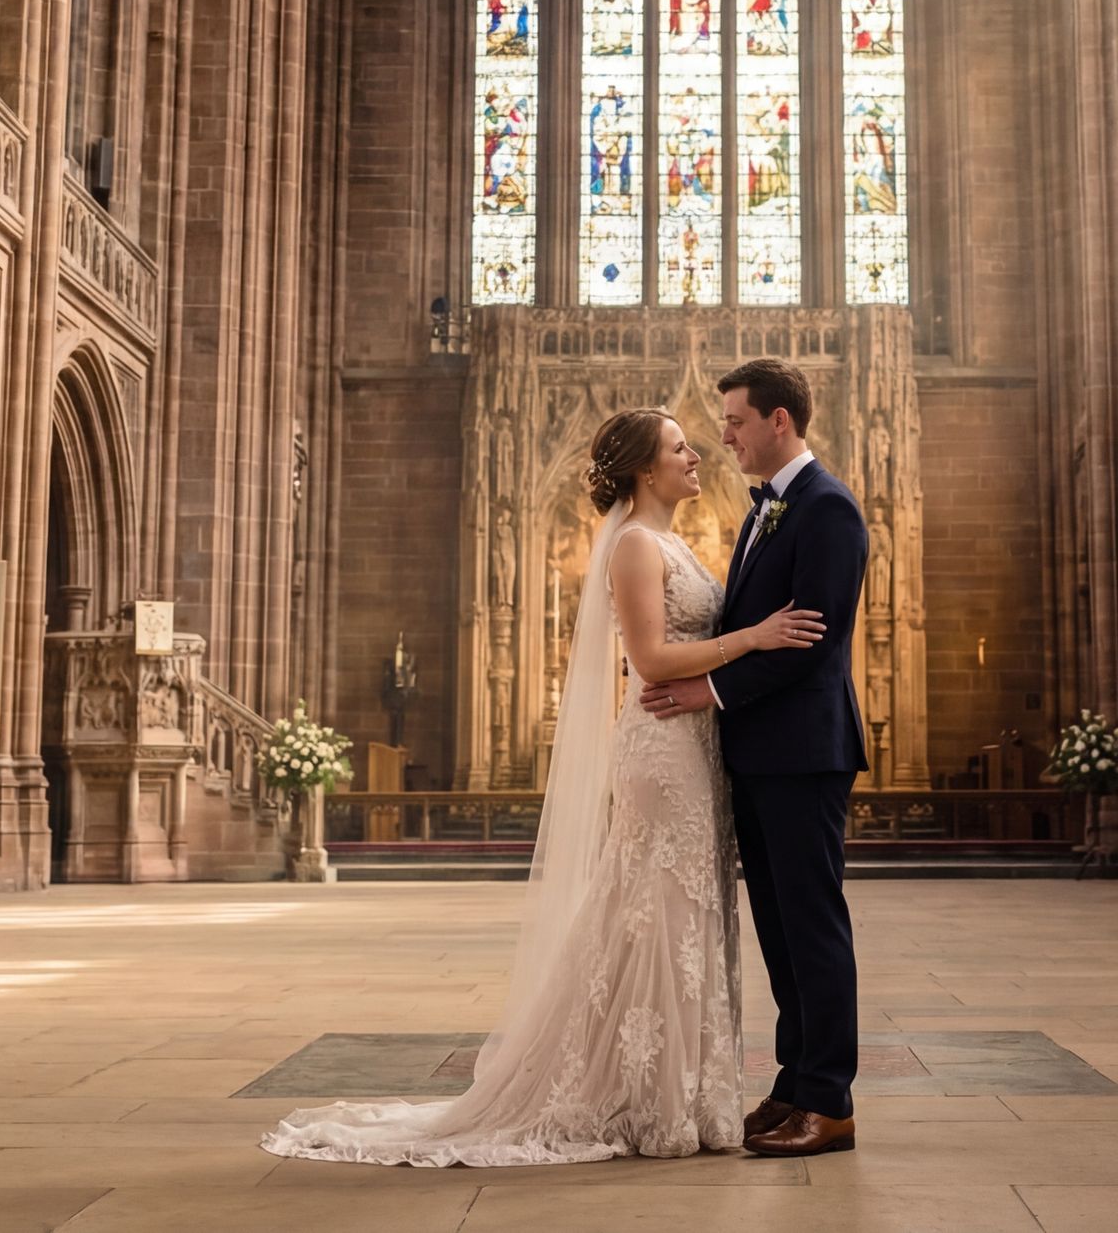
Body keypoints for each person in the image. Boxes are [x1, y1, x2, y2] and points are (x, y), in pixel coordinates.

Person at [259, 407, 825, 1165]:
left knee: (683, 912)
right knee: (657, 910)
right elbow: (653, 659)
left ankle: (682, 1091)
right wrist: (753, 638)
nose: (697, 453)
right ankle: (642, 1096)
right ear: (643, 469)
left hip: (693, 745)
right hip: (662, 746)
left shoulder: (669, 540)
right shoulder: (630, 543)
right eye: (679, 446)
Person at [640, 357, 871, 1158]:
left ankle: (830, 1101)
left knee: (812, 923)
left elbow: (812, 641)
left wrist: (712, 694)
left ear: (780, 420)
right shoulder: (767, 510)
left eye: (736, 420)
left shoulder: (828, 509)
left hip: (804, 752)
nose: (725, 434)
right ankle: (794, 1081)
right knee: (778, 925)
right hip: (763, 754)